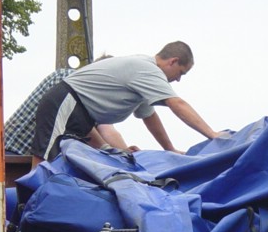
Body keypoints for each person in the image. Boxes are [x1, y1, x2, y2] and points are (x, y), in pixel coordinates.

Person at [30, 41, 227, 166]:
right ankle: (25, 211)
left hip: (84, 117)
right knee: (44, 158)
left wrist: (170, 149)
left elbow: (150, 117)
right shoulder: (147, 70)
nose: (178, 80)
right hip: (66, 102)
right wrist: (212, 135)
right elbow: (178, 104)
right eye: (181, 73)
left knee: (62, 163)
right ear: (173, 62)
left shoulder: (144, 78)